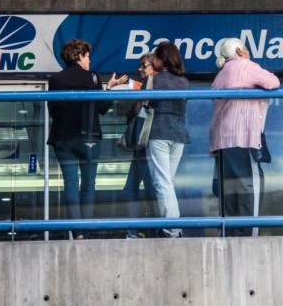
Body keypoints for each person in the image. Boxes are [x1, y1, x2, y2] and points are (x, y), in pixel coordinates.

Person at [47, 39, 128, 240]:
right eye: (88, 57)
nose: (90, 61)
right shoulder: (91, 77)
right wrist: (108, 88)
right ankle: (87, 230)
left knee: (71, 184)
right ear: (80, 56)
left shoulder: (55, 79)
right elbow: (101, 109)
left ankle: (78, 233)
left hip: (62, 139)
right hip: (88, 138)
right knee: (88, 184)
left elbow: (52, 110)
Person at [209, 38, 280, 237]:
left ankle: (232, 235)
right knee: (250, 189)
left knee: (229, 191)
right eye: (246, 49)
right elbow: (273, 82)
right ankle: (250, 237)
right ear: (240, 51)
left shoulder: (219, 76)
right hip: (243, 138)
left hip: (222, 141)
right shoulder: (246, 66)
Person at [146, 41, 191, 238]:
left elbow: (144, 104)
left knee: (162, 183)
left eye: (154, 57)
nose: (151, 60)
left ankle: (171, 228)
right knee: (168, 182)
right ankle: (171, 226)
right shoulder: (184, 82)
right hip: (179, 134)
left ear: (162, 60)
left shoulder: (154, 80)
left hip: (159, 133)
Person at [121, 53, 158, 239]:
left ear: (154, 66)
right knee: (153, 190)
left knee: (131, 190)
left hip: (145, 144)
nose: (140, 69)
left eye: (144, 65)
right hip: (149, 145)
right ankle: (158, 231)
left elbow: (136, 111)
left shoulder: (150, 83)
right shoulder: (153, 83)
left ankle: (132, 232)